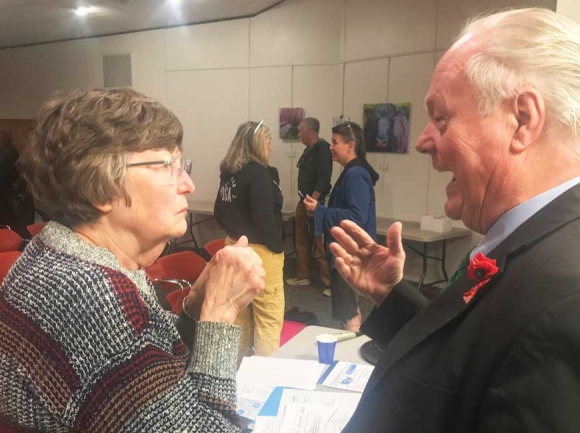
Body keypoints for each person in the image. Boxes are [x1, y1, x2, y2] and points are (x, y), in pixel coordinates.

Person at [329, 8, 580, 432]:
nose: (424, 141)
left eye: (441, 117)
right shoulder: (534, 242)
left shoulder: (567, 299)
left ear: (522, 120)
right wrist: (391, 296)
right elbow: (476, 360)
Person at [0, 88, 266, 432]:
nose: (187, 183)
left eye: (182, 165)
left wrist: (196, 307)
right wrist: (219, 316)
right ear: (99, 188)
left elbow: (155, 376)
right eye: (167, 166)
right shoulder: (91, 294)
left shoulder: (53, 252)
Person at [214, 120, 285, 362]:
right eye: (268, 141)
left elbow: (218, 212)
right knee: (268, 319)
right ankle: (265, 383)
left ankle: (238, 377)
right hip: (262, 254)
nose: (271, 147)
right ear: (257, 144)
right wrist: (278, 247)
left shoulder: (228, 173)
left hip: (234, 247)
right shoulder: (259, 173)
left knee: (239, 317)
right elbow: (264, 219)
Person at [303, 121, 378, 331]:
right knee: (348, 307)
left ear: (350, 146)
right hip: (347, 251)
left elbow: (357, 216)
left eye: (335, 142)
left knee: (348, 312)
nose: (330, 146)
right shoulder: (355, 171)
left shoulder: (355, 174)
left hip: (348, 253)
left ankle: (350, 354)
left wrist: (320, 210)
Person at [286, 117, 332, 292]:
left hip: (316, 204)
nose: (298, 134)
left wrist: (312, 201)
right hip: (303, 202)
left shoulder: (323, 150)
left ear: (311, 131)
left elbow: (324, 178)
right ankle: (302, 275)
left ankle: (329, 283)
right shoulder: (308, 150)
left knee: (320, 243)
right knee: (301, 240)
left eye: (301, 130)